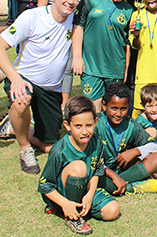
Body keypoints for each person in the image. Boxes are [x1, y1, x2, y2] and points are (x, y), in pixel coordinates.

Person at [0, 0, 82, 173]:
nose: (70, 1)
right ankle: (24, 148)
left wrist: (65, 98)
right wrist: (15, 79)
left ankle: (12, 127)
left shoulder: (75, 23)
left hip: (51, 90)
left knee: (48, 145)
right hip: (25, 79)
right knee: (21, 100)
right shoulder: (32, 17)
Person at [38, 96, 119, 235]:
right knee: (79, 167)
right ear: (67, 125)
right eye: (78, 126)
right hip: (60, 194)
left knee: (113, 211)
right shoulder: (59, 150)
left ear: (95, 122)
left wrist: (89, 195)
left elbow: (97, 171)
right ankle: (71, 215)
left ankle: (78, 206)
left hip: (84, 189)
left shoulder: (97, 142)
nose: (84, 131)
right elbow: (44, 185)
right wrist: (65, 203)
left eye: (88, 125)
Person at [72, 0, 137, 112]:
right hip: (91, 66)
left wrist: (126, 69)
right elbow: (78, 26)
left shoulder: (128, 10)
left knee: (112, 110)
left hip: (114, 68)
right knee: (93, 110)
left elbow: (127, 42)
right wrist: (77, 57)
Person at [38, 0, 95, 108]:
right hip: (54, 27)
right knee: (54, 62)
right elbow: (41, 7)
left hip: (73, 26)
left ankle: (65, 102)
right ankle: (47, 96)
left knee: (69, 64)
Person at [95, 83, 157, 196]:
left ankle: (116, 184)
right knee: (91, 175)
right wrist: (113, 176)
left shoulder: (131, 124)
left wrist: (135, 151)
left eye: (123, 109)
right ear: (104, 106)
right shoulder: (95, 123)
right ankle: (132, 187)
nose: (118, 113)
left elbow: (154, 146)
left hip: (123, 169)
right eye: (114, 108)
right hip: (102, 170)